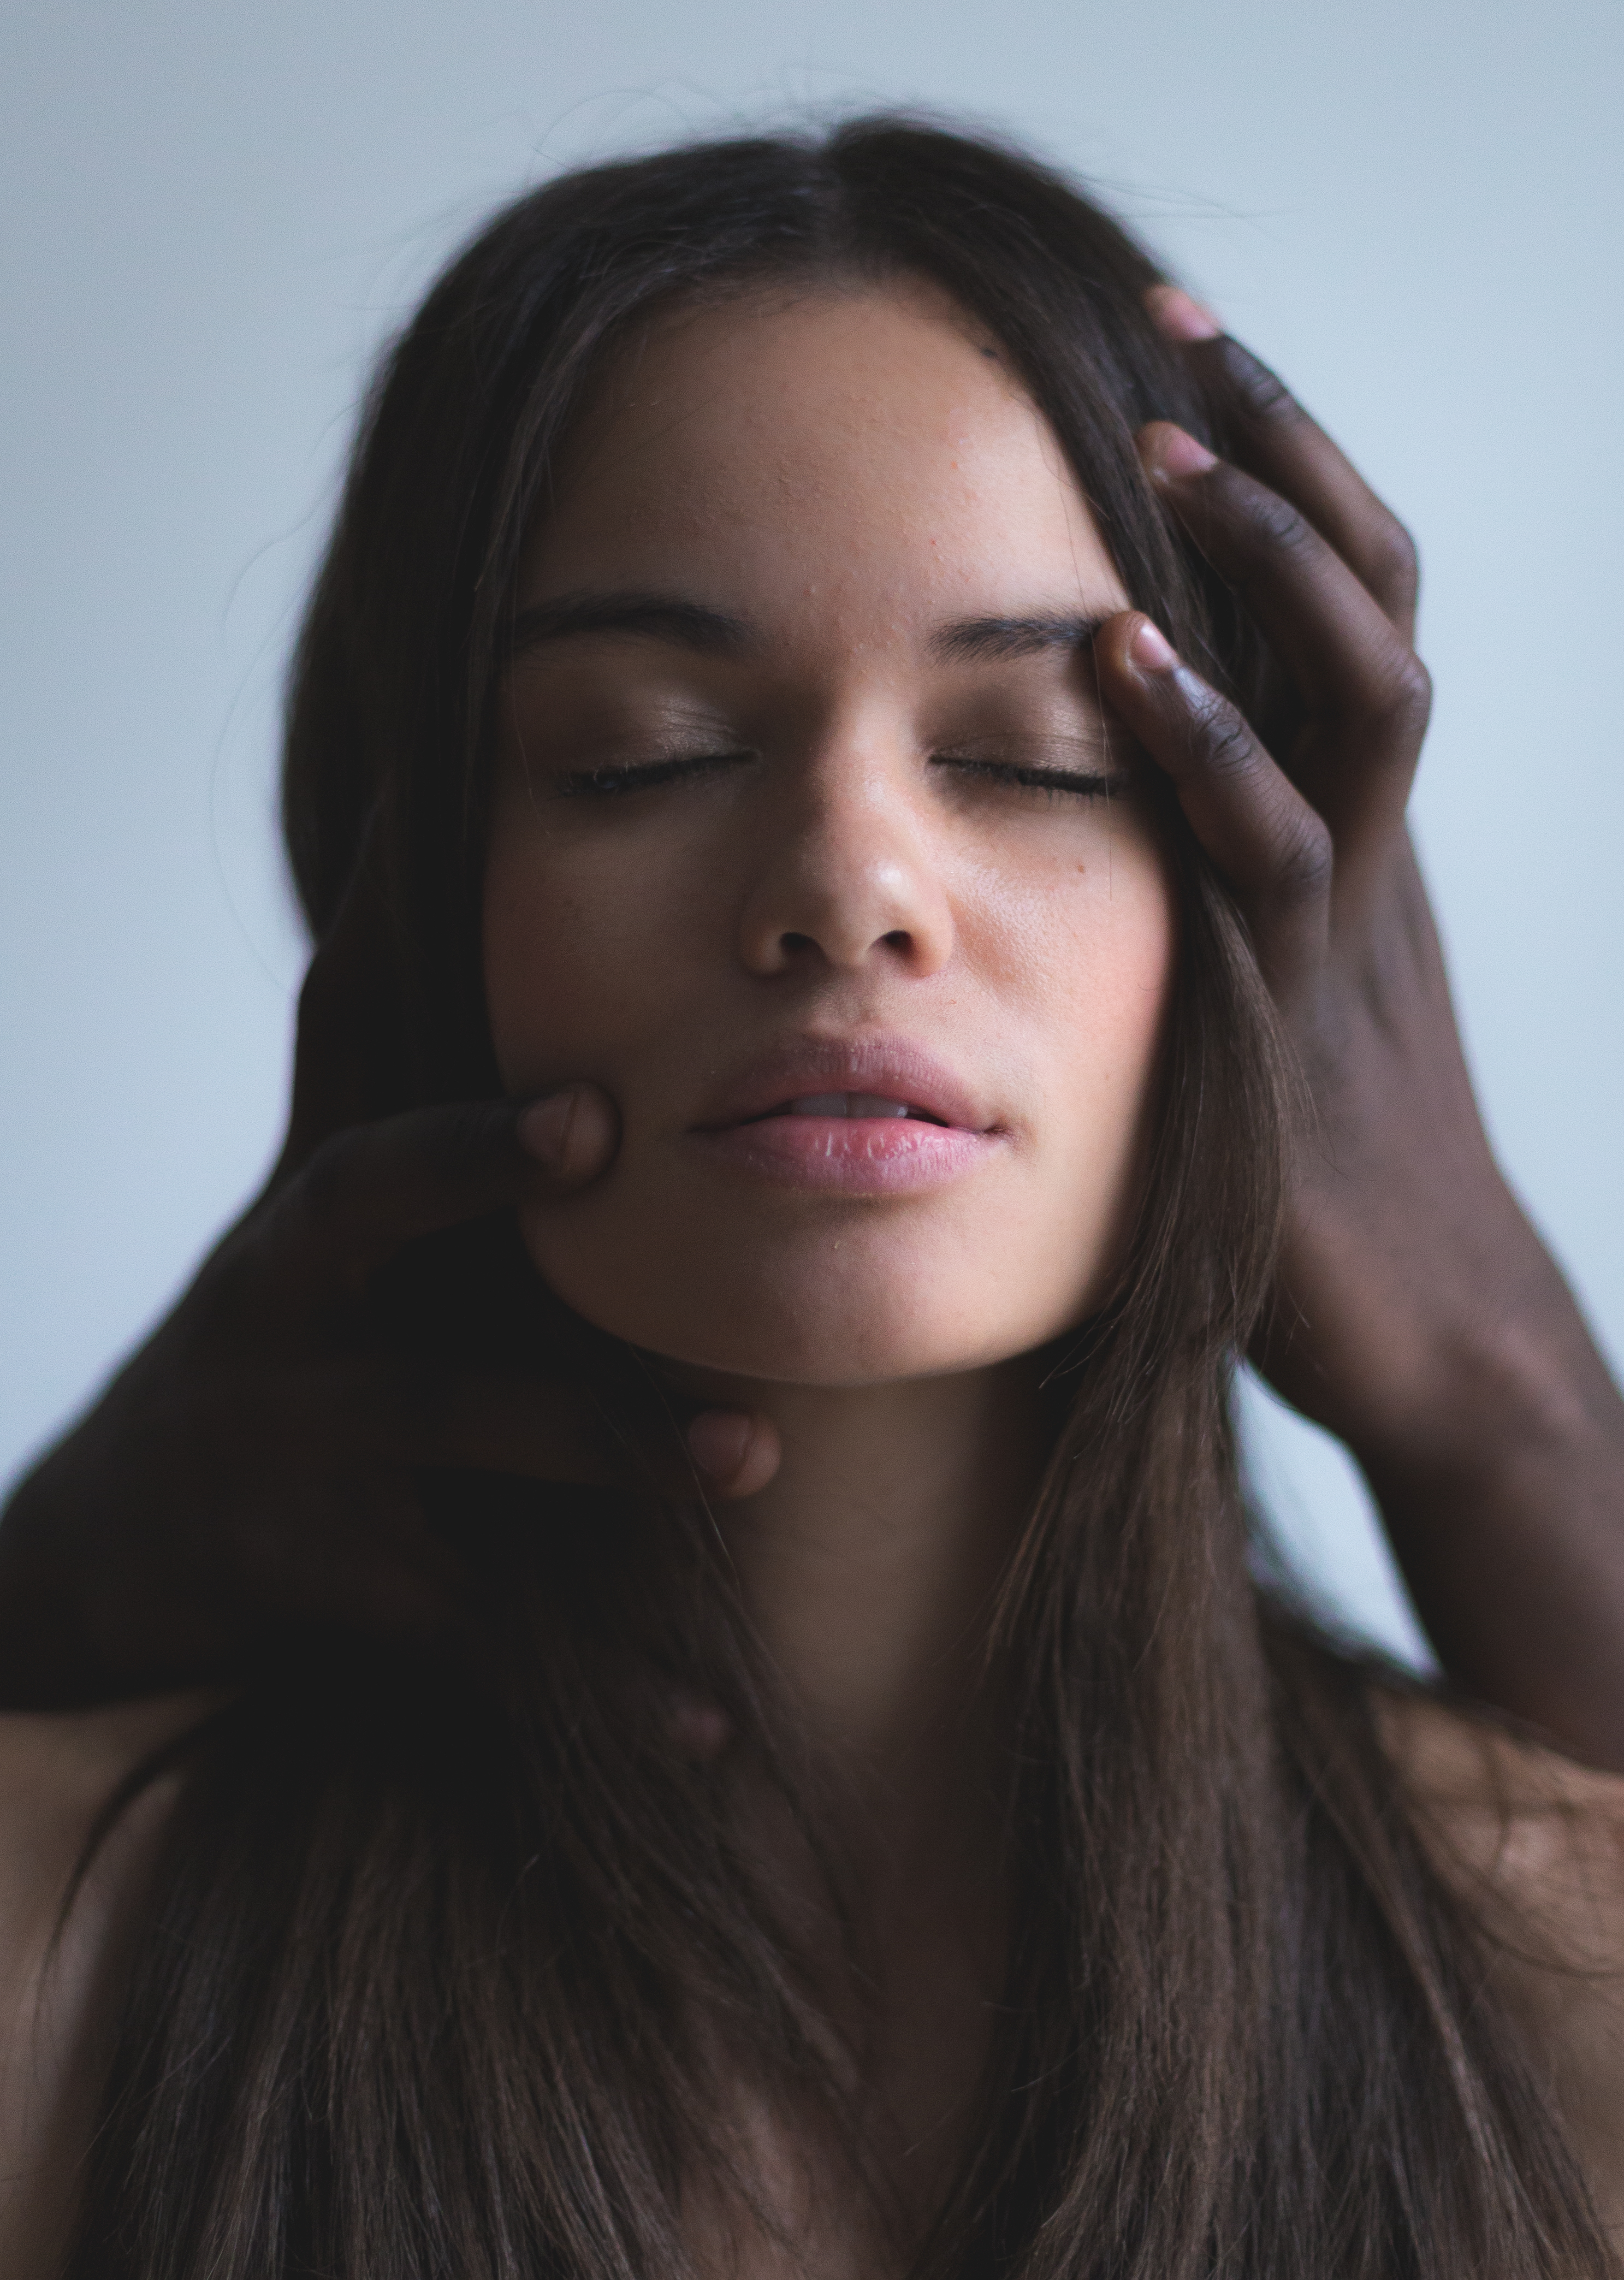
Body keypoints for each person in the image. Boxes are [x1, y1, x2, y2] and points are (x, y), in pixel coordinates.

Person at [2, 117, 1624, 2278]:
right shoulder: (57, 1960)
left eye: (1042, 754)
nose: (852, 890)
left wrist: (1501, 1385)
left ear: (1265, 921)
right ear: (407, 907)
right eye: (644, 751)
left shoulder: (1557, 1967)